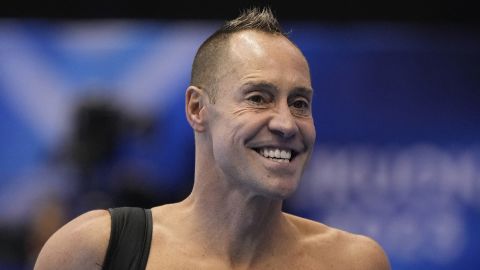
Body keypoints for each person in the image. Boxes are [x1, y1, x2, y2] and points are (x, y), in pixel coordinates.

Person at [34, 7, 391, 270]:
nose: (286, 123)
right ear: (197, 108)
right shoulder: (96, 250)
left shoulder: (354, 262)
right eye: (258, 98)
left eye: (299, 103)